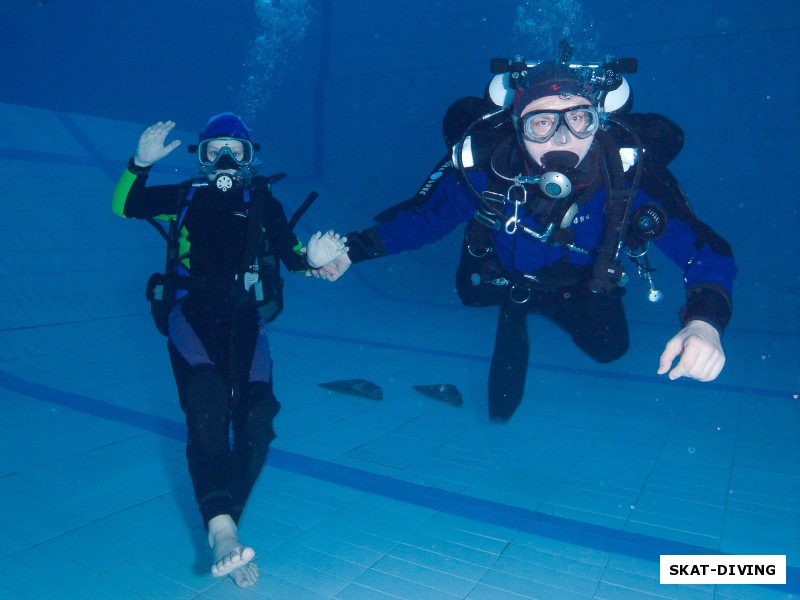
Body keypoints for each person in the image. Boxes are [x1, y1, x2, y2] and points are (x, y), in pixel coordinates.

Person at [319, 61, 737, 422]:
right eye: (541, 122)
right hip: (507, 275)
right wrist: (352, 252)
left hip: (578, 282)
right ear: (518, 131)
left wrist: (705, 321)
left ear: (598, 123)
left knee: (611, 349)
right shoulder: (490, 177)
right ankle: (518, 305)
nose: (560, 139)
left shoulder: (623, 183)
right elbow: (422, 220)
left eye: (578, 119)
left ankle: (541, 302)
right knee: (476, 294)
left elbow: (704, 250)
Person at [112, 113, 346, 587]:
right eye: (214, 150)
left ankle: (228, 531)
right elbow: (124, 205)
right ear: (200, 158)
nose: (223, 160)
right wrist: (139, 163)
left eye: (233, 152)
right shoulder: (183, 197)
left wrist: (314, 260)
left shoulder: (263, 202)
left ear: (248, 160)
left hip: (245, 319)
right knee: (206, 397)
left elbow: (293, 254)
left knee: (259, 416)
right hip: (189, 314)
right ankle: (221, 532)